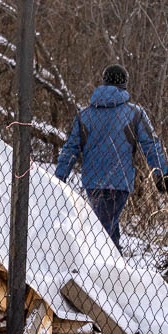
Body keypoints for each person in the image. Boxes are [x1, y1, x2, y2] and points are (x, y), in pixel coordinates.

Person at [55, 64, 167, 251]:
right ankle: (106, 268)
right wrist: (162, 174)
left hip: (93, 181)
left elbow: (70, 149)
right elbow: (150, 144)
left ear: (104, 81)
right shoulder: (134, 113)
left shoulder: (85, 115)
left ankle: (112, 268)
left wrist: (59, 177)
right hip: (120, 181)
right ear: (125, 84)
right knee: (105, 231)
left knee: (105, 226)